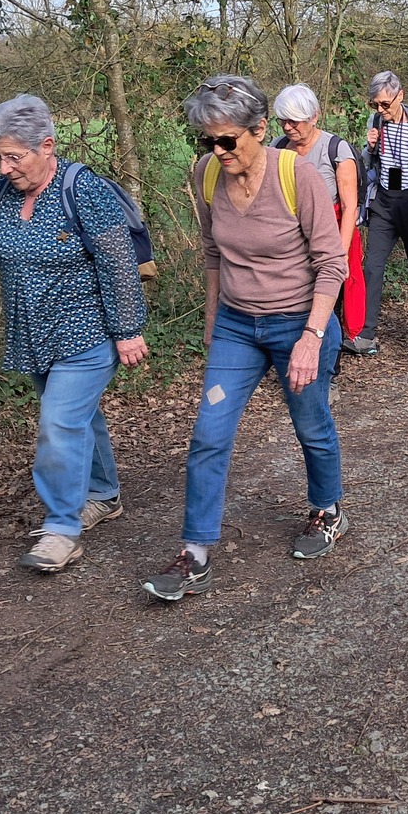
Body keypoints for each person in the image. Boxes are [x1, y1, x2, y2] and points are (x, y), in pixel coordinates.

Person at [142, 76, 348, 601]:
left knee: (311, 425)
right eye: (207, 140)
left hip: (299, 321)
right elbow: (213, 251)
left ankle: (327, 510)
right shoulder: (206, 174)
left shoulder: (297, 175)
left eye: (227, 139)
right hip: (237, 325)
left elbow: (332, 263)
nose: (218, 150)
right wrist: (213, 320)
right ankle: (194, 553)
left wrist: (311, 337)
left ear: (259, 130)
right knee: (209, 434)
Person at [0, 94, 150, 574]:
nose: (4, 168)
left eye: (13, 157)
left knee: (58, 424)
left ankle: (62, 529)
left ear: (47, 146)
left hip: (87, 332)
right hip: (32, 334)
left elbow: (118, 263)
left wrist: (126, 330)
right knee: (78, 418)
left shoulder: (84, 190)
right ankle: (103, 493)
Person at [349, 71, 408, 355]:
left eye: (385, 103)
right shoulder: (375, 122)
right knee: (372, 266)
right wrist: (369, 147)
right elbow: (365, 164)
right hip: (384, 202)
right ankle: (365, 333)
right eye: (375, 104)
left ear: (400, 96)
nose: (380, 109)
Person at [272, 85, 364, 359]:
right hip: (291, 240)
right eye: (282, 120)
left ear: (313, 117)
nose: (287, 127)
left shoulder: (335, 150)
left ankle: (328, 363)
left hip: (329, 237)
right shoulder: (277, 148)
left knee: (327, 302)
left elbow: (349, 207)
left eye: (294, 121)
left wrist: (341, 254)